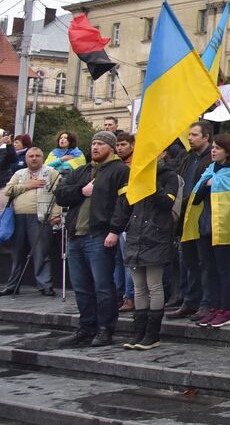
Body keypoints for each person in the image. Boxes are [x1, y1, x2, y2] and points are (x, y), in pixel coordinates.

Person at [52, 130, 129, 347]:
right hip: (76, 236)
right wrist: (81, 191)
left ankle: (105, 329)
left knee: (103, 286)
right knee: (81, 287)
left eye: (100, 144)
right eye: (93, 143)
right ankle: (86, 328)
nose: (95, 147)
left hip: (99, 235)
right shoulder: (83, 170)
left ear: (111, 148)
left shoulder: (120, 170)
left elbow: (123, 204)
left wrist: (115, 230)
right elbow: (60, 194)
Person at [110, 145, 178, 349]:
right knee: (139, 287)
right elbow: (125, 205)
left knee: (154, 285)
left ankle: (153, 333)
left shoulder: (169, 176)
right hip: (136, 235)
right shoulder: (136, 176)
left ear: (162, 154)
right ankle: (138, 331)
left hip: (156, 236)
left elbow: (167, 203)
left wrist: (152, 184)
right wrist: (115, 228)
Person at [191, 133, 230, 329]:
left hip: (224, 227)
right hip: (206, 226)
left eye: (217, 148)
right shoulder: (210, 169)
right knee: (209, 269)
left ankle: (226, 310)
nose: (213, 150)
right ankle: (213, 307)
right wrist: (210, 182)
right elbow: (197, 196)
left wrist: (214, 183)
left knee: (224, 269)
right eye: (213, 147)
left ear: (228, 150)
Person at [168, 121, 214, 320]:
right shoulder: (186, 158)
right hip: (184, 216)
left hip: (201, 215)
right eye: (190, 134)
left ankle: (206, 303)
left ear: (206, 137)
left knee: (204, 262)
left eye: (195, 135)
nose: (190, 138)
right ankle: (189, 300)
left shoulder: (211, 159)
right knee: (187, 261)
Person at [2, 145, 58, 295]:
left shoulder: (51, 173)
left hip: (40, 217)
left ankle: (45, 285)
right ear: (25, 159)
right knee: (17, 253)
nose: (34, 158)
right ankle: (13, 285)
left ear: (42, 157)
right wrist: (28, 185)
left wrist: (56, 214)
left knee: (41, 253)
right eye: (30, 156)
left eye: (37, 156)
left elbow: (59, 194)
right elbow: (8, 190)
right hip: (18, 217)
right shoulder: (19, 173)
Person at [112, 131, 136, 313]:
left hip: (129, 219)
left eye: (123, 145)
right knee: (118, 261)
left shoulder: (135, 165)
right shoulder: (115, 165)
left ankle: (129, 297)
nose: (119, 148)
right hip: (115, 218)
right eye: (117, 145)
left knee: (128, 261)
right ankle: (118, 295)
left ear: (132, 145)